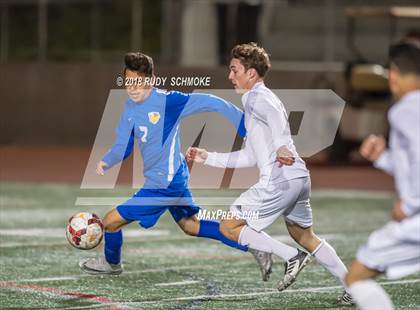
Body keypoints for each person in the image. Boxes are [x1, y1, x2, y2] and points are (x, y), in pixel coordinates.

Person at [186, 42, 353, 305]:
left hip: (280, 178)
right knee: (304, 235)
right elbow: (249, 156)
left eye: (235, 70)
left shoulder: (255, 97)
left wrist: (281, 144)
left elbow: (275, 117)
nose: (230, 76)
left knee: (229, 227)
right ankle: (353, 286)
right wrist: (209, 157)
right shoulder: (257, 99)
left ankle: (291, 257)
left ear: (251, 73)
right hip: (297, 177)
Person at [80, 52, 269, 275]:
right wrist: (107, 161)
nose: (132, 88)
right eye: (128, 82)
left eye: (138, 82)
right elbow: (124, 144)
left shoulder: (168, 101)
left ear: (150, 80)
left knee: (110, 222)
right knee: (191, 225)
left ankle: (111, 264)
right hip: (172, 179)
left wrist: (244, 126)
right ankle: (253, 242)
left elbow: (211, 102)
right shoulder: (129, 109)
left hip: (164, 184)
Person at [345, 41, 420, 310]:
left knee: (356, 277)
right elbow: (410, 166)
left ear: (393, 75)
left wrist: (411, 204)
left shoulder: (406, 109)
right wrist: (382, 158)